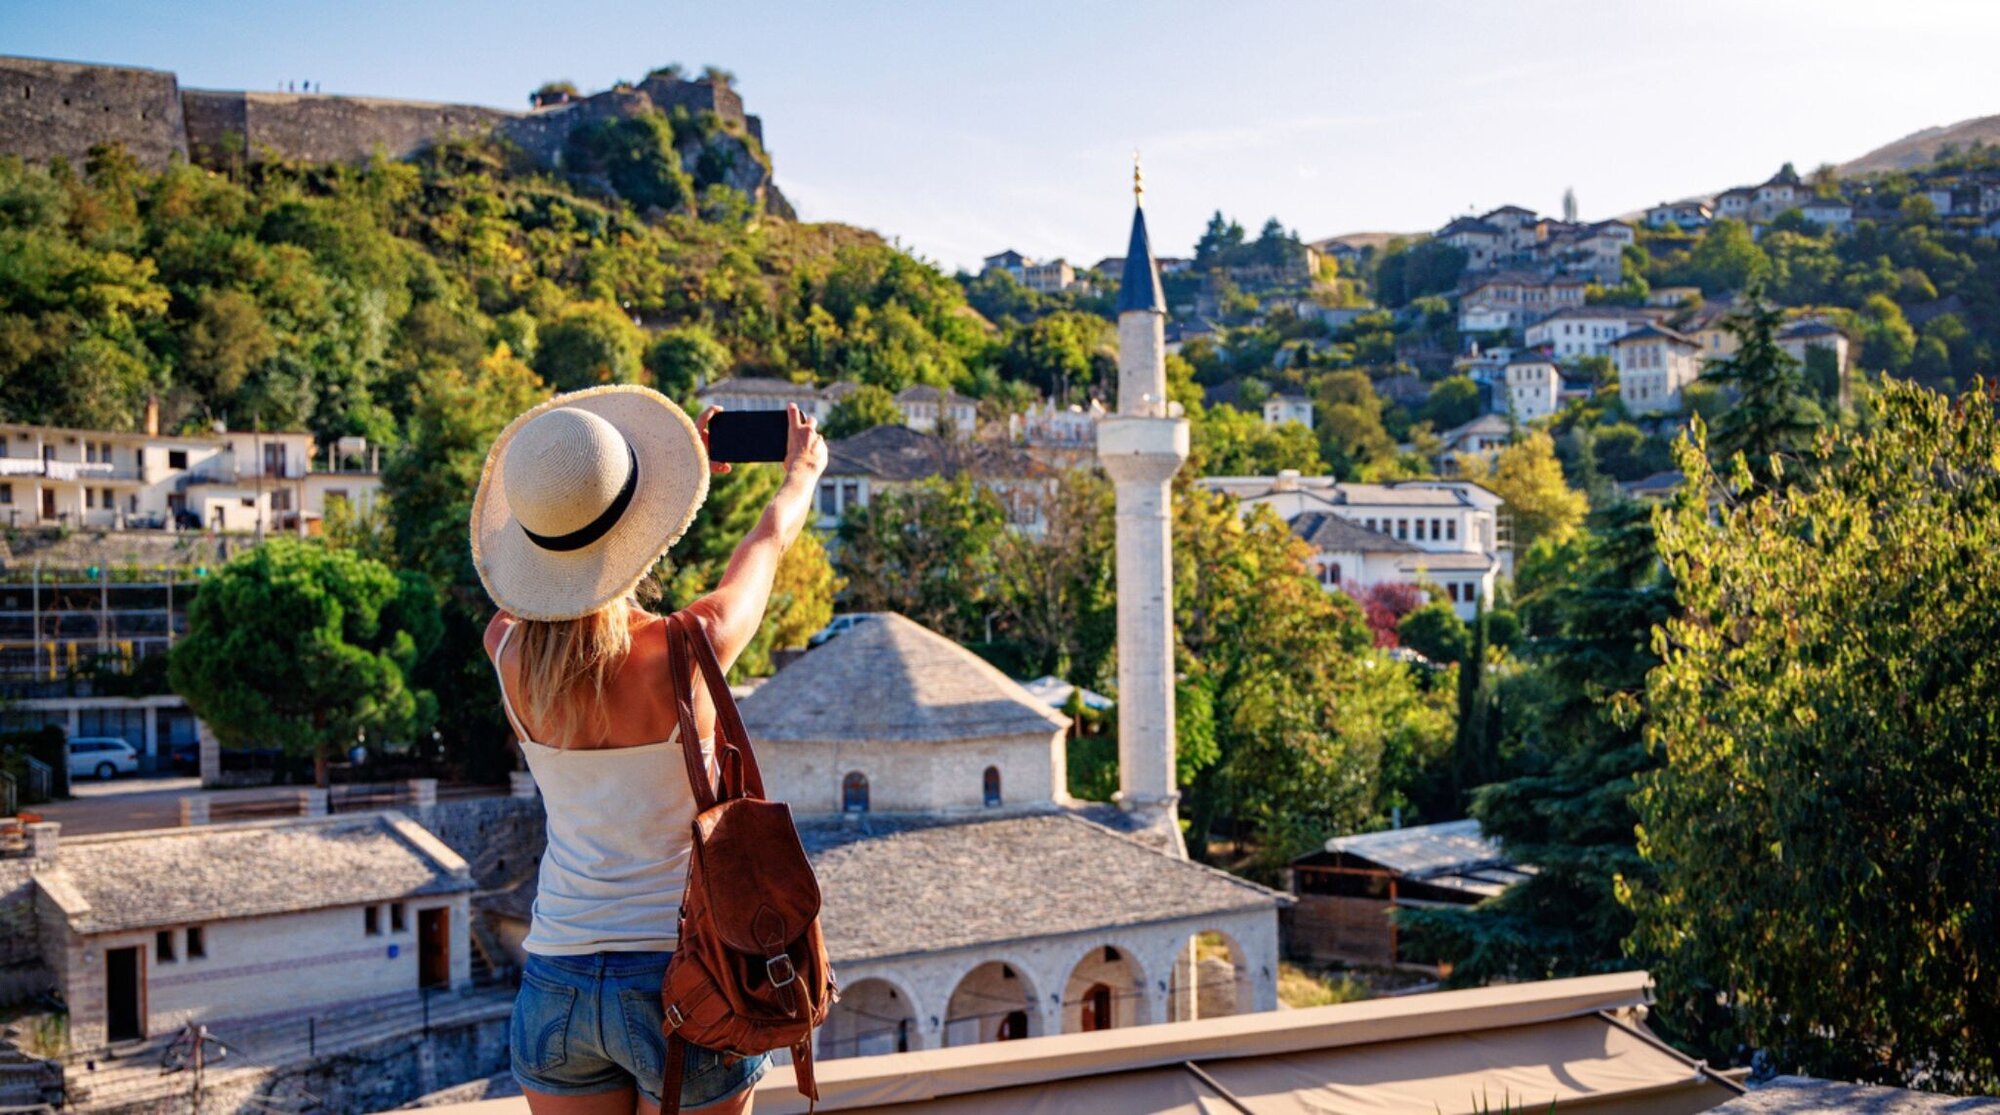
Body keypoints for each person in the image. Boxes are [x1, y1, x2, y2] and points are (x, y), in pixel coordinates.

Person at [470, 386, 826, 1115]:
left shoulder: (503, 647)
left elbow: (552, 589)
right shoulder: (691, 649)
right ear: (641, 526)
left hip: (555, 983)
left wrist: (636, 499)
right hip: (688, 980)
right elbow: (766, 547)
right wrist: (799, 475)